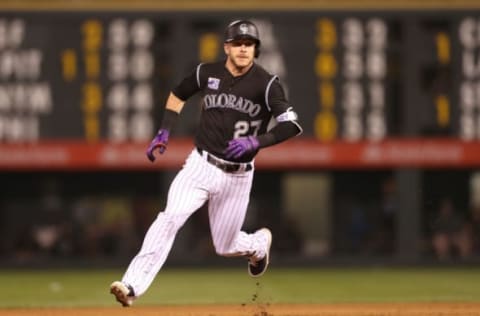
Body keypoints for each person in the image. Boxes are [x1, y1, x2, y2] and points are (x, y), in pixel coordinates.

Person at [110, 19, 302, 307]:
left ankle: (259, 244)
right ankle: (131, 286)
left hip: (238, 177)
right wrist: (164, 130)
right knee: (170, 218)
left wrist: (257, 141)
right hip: (200, 166)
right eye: (237, 43)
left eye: (249, 44)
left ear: (255, 49)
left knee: (225, 246)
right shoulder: (206, 72)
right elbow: (178, 94)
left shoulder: (267, 84)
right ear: (226, 47)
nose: (243, 49)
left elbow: (292, 124)